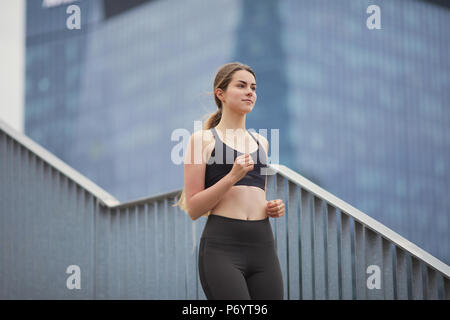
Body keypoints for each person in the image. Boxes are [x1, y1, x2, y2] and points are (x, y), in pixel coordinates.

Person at [174, 62, 285, 300]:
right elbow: (194, 208)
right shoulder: (201, 140)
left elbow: (257, 195)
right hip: (222, 246)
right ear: (220, 93)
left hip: (263, 244)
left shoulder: (262, 143)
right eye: (242, 86)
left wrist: (271, 207)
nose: (250, 92)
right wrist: (232, 177)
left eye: (253, 88)